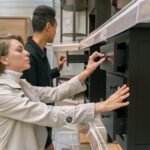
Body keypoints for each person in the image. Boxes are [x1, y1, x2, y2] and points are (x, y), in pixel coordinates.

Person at [0, 34, 130, 150]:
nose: (27, 53)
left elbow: (54, 93)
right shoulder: (3, 93)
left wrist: (86, 72)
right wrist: (98, 107)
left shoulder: (21, 83)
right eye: (19, 50)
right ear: (4, 59)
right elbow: (48, 114)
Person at [22, 5, 67, 149]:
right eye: (55, 27)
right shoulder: (29, 55)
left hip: (44, 122)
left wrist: (57, 69)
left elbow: (42, 79)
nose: (56, 31)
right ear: (48, 26)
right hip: (38, 125)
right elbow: (32, 96)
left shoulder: (40, 50)